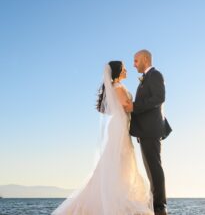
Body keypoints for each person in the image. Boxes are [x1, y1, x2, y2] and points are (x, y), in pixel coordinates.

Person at [52, 61, 154, 215]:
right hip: (119, 126)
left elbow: (115, 108)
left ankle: (117, 191)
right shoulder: (118, 87)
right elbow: (127, 105)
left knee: (117, 159)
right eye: (124, 68)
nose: (127, 70)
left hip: (119, 124)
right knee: (120, 158)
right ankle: (116, 197)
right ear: (118, 71)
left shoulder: (114, 87)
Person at [125, 50, 172, 215]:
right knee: (151, 169)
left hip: (151, 130)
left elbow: (159, 97)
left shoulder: (156, 75)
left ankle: (160, 207)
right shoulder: (145, 79)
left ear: (145, 59)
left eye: (136, 60)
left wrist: (134, 106)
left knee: (155, 168)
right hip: (145, 132)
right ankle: (155, 204)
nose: (134, 64)